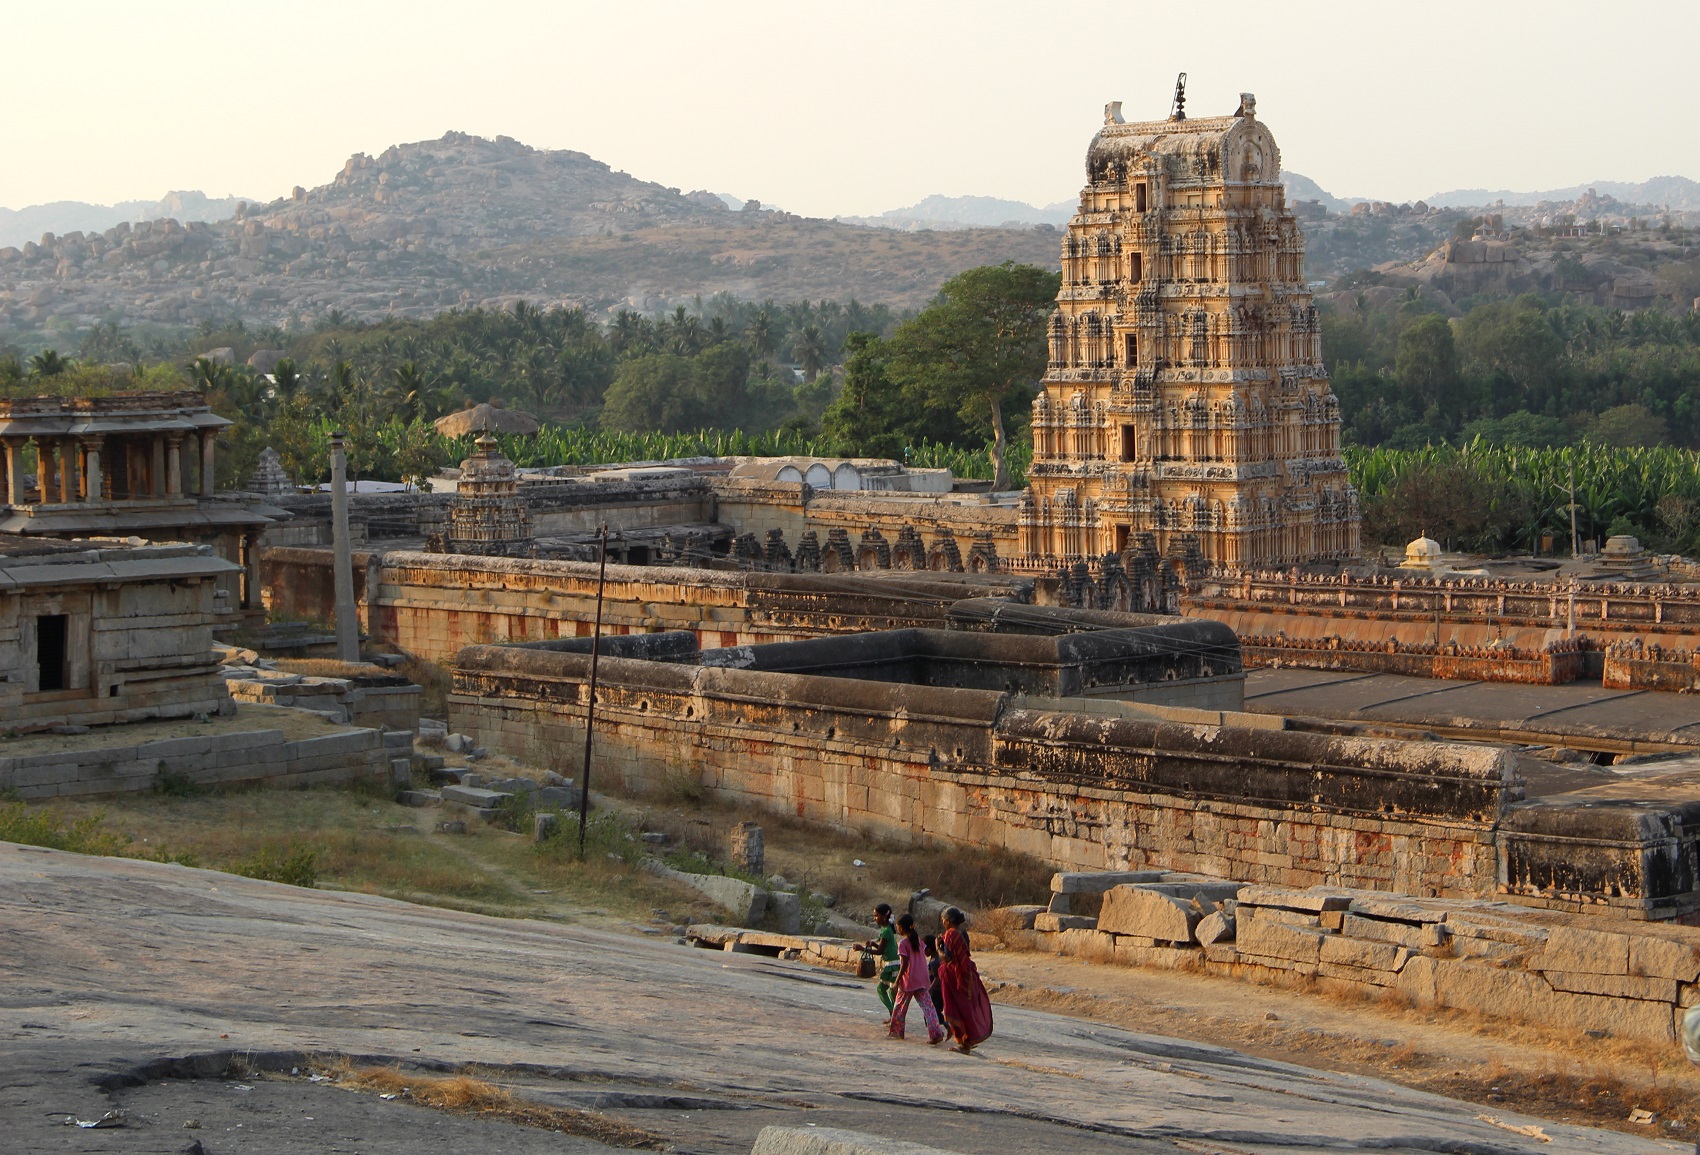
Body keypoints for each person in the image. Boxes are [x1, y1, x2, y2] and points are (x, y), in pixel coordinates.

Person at [936, 906, 993, 1053]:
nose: (943, 922)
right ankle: (966, 1040)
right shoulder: (963, 933)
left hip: (956, 976)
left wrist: (938, 948)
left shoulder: (950, 934)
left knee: (958, 1008)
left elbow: (948, 958)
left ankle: (965, 1043)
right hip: (967, 974)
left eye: (943, 920)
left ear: (948, 921)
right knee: (966, 1007)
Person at [887, 913, 945, 1043]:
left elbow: (904, 964)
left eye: (898, 927)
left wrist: (897, 981)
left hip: (908, 979)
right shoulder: (919, 941)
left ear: (901, 928)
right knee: (928, 1008)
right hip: (922, 978)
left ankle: (897, 1031)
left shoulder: (903, 943)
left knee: (900, 1007)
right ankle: (936, 1033)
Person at [865, 903, 900, 1019]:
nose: (875, 918)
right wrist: (873, 944)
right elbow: (883, 947)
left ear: (884, 916)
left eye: (876, 916)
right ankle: (894, 1016)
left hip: (892, 964)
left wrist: (862, 949)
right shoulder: (886, 929)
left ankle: (894, 1014)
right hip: (893, 963)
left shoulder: (886, 931)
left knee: (884, 989)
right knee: (890, 991)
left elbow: (880, 951)